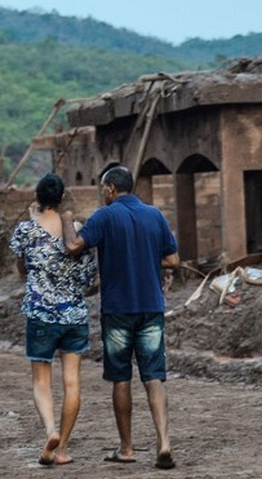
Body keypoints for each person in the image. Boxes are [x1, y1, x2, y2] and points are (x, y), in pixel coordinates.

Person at [61, 165, 179, 470]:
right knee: (154, 376)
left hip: (118, 311)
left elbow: (74, 246)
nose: (103, 193)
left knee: (121, 378)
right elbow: (173, 259)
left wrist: (66, 220)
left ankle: (126, 448)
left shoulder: (104, 215)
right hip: (151, 306)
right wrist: (144, 259)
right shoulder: (155, 215)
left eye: (103, 188)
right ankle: (163, 442)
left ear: (111, 188)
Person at [8, 173, 97, 466]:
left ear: (37, 197)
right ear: (62, 198)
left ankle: (50, 430)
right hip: (73, 314)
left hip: (40, 314)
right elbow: (87, 277)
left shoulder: (25, 230)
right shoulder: (77, 231)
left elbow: (21, 269)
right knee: (72, 382)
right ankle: (63, 450)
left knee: (41, 381)